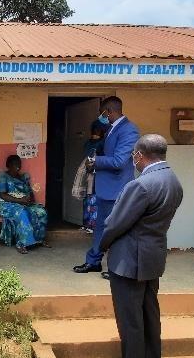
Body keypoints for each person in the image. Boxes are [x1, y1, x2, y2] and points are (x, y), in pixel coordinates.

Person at [100, 134, 183, 358]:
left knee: (130, 322)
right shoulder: (173, 180)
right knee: (149, 315)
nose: (133, 160)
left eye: (133, 156)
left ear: (138, 155)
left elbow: (115, 224)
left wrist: (102, 246)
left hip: (129, 261)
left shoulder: (140, 185)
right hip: (153, 257)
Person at [74, 96, 139, 278]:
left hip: (117, 189)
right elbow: (96, 147)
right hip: (106, 188)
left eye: (103, 113)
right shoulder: (111, 128)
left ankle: (119, 268)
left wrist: (95, 161)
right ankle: (93, 261)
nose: (102, 117)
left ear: (108, 111)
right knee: (101, 227)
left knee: (118, 229)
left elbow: (119, 161)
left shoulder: (129, 130)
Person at [0, 155, 49, 254]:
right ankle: (22, 244)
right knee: (23, 213)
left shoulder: (24, 177)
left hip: (24, 202)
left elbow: (30, 192)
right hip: (8, 204)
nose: (18, 167)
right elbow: (2, 195)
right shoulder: (3, 176)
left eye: (19, 164)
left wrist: (29, 199)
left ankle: (39, 239)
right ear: (8, 165)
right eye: (14, 164)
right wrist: (20, 201)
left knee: (42, 212)